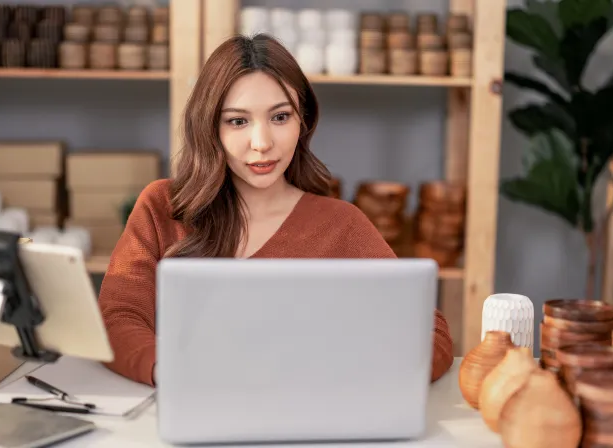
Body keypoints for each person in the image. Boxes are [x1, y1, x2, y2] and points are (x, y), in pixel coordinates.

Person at [97, 34, 454, 387]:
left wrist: (351, 376)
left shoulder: (341, 224)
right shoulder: (164, 207)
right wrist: (171, 372)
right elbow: (118, 317)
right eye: (238, 121)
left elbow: (428, 332)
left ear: (303, 121)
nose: (262, 143)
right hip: (186, 413)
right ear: (210, 128)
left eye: (280, 117)